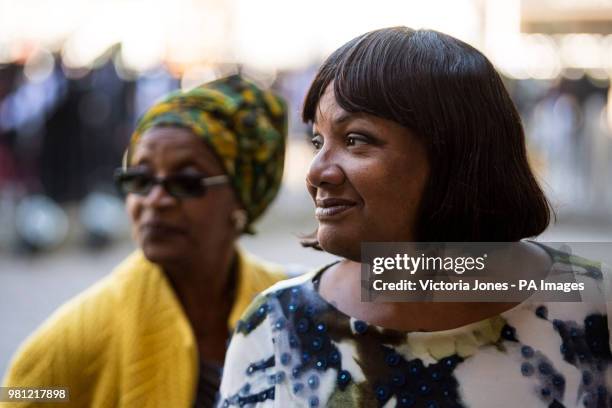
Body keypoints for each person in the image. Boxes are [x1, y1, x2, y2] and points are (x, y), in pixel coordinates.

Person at [218, 28, 612, 407]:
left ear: (454, 155)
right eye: (318, 141)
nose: (317, 171)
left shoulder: (596, 308)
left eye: (355, 140)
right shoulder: (277, 323)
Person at [3, 75, 293, 407]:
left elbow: (369, 293)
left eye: (186, 181)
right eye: (139, 179)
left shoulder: (292, 306)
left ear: (241, 198)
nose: (155, 200)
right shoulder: (72, 340)